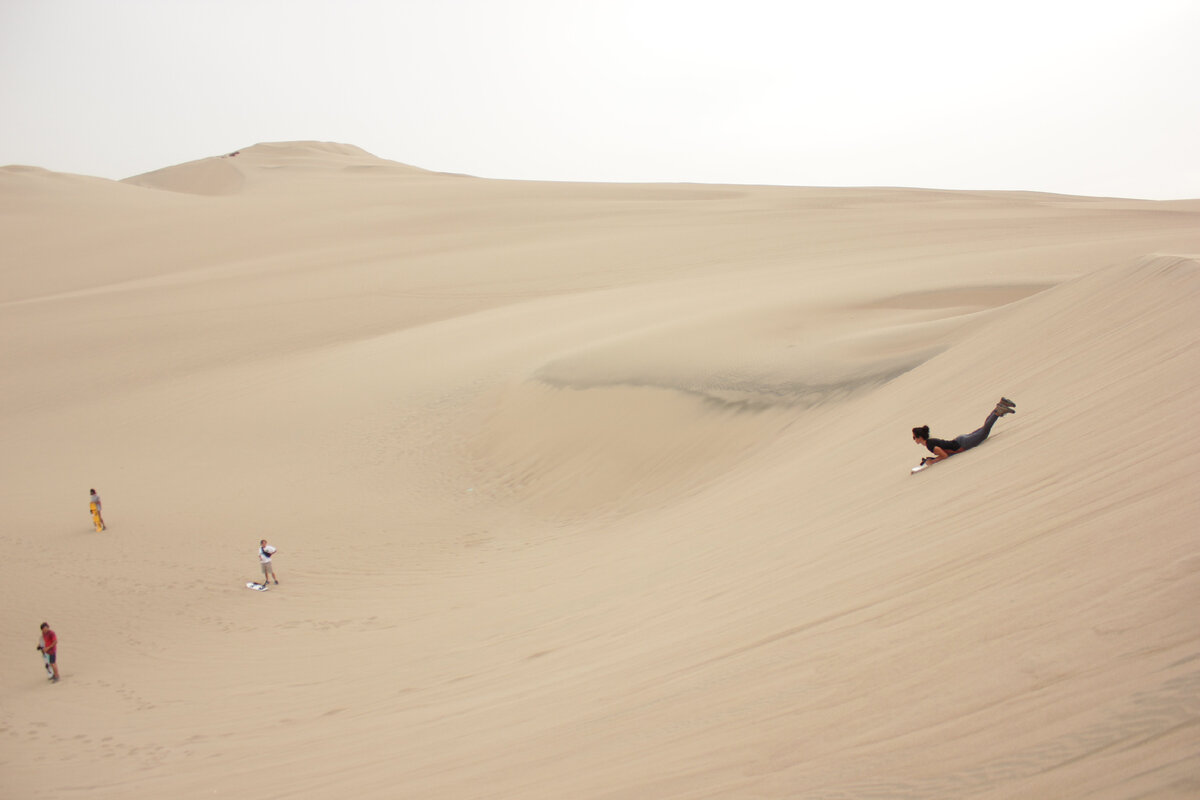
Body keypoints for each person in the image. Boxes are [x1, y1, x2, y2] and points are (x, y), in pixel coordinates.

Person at [913, 397, 1015, 466]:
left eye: (914, 437)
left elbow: (944, 455)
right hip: (960, 440)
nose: (914, 440)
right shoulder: (931, 442)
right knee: (984, 429)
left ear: (919, 437)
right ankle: (1000, 405)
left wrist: (933, 461)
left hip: (963, 444)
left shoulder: (930, 445)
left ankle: (998, 411)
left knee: (984, 431)